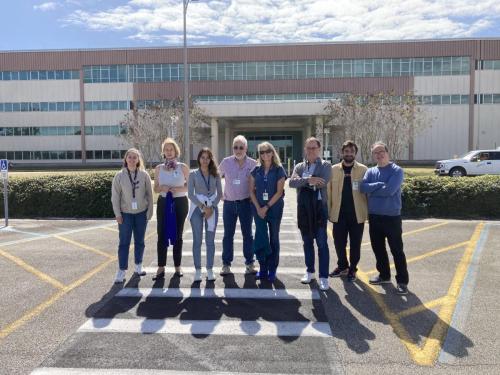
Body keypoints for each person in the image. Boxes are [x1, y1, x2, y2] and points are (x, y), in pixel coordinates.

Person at [360, 141, 409, 295]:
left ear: (387, 153)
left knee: (397, 250)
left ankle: (402, 281)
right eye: (376, 152)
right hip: (374, 216)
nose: (379, 154)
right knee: (378, 249)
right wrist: (379, 184)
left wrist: (372, 189)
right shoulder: (370, 171)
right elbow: (362, 188)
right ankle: (384, 275)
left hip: (392, 217)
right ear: (373, 155)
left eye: (382, 151)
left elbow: (389, 191)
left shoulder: (397, 171)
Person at [289, 137, 331, 291]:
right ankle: (310, 271)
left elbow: (323, 182)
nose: (311, 150)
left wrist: (303, 181)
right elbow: (292, 182)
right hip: (304, 210)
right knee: (307, 242)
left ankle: (324, 277)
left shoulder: (326, 165)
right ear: (305, 150)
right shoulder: (299, 166)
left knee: (321, 243)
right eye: (308, 148)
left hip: (319, 209)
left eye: (314, 148)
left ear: (319, 149)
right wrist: (309, 180)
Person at [327, 140, 368, 282]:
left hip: (357, 214)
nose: (349, 154)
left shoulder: (363, 170)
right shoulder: (333, 170)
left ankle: (353, 269)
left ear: (355, 153)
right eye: (346, 151)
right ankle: (342, 266)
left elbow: (367, 192)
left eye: (351, 151)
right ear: (342, 153)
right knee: (339, 243)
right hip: (338, 214)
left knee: (355, 244)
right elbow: (328, 192)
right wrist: (328, 212)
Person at [111, 148, 154, 283]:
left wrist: (149, 212)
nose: (132, 159)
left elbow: (150, 195)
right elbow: (115, 197)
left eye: (135, 157)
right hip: (125, 214)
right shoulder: (119, 176)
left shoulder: (144, 175)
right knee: (124, 243)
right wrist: (118, 214)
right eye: (129, 157)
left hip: (141, 213)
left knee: (140, 241)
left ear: (138, 160)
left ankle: (138, 266)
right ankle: (122, 270)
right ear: (125, 159)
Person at [218, 135, 257, 276]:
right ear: (232, 148)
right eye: (236, 147)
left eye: (241, 147)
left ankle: (250, 263)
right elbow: (216, 176)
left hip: (246, 204)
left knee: (248, 235)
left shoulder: (253, 164)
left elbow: (258, 182)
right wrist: (219, 193)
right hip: (229, 204)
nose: (238, 150)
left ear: (246, 148)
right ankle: (226, 265)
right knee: (228, 235)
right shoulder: (226, 162)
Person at [249, 142, 287, 282]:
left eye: (267, 151)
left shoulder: (279, 170)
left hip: (274, 208)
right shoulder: (256, 170)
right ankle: (263, 268)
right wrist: (259, 208)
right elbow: (251, 191)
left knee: (274, 238)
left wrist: (266, 207)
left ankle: (272, 269)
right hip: (258, 209)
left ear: (272, 152)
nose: (265, 154)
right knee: (261, 237)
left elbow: (279, 192)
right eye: (262, 152)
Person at [153, 138, 190, 280]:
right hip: (163, 203)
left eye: (171, 149)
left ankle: (177, 267)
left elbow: (190, 186)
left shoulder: (183, 167)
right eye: (166, 149)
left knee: (177, 234)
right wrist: (161, 187)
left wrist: (178, 188)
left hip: (180, 202)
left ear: (176, 151)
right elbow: (155, 188)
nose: (169, 152)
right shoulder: (158, 168)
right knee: (161, 233)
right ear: (163, 152)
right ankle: (161, 267)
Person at [188, 148, 223, 282]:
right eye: (202, 157)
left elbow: (219, 193)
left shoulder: (216, 174)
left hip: (212, 208)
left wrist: (211, 207)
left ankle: (209, 269)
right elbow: (190, 194)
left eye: (207, 157)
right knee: (197, 241)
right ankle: (198, 270)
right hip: (197, 208)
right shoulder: (193, 174)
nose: (205, 160)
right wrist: (203, 207)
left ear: (211, 159)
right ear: (199, 159)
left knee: (210, 241)